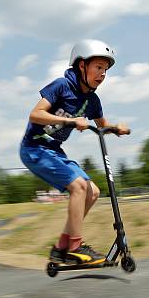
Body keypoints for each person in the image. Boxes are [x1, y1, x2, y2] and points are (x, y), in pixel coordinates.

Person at [20, 39, 130, 266]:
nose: (102, 74)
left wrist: (115, 128)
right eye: (98, 67)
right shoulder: (61, 86)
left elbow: (102, 125)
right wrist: (68, 121)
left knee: (93, 191)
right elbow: (35, 114)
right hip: (34, 148)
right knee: (79, 186)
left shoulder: (93, 100)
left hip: (54, 151)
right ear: (82, 65)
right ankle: (75, 247)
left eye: (105, 70)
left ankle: (61, 247)